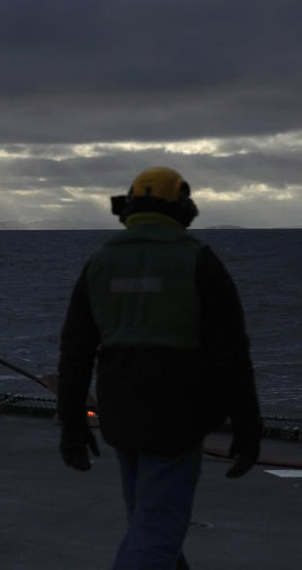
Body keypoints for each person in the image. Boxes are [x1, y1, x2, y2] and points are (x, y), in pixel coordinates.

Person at [57, 167, 263, 569]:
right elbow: (232, 356)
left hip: (120, 416)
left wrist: (72, 427)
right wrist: (248, 427)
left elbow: (75, 353)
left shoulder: (100, 262)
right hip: (177, 420)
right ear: (182, 208)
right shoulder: (199, 261)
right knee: (156, 535)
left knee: (147, 524)